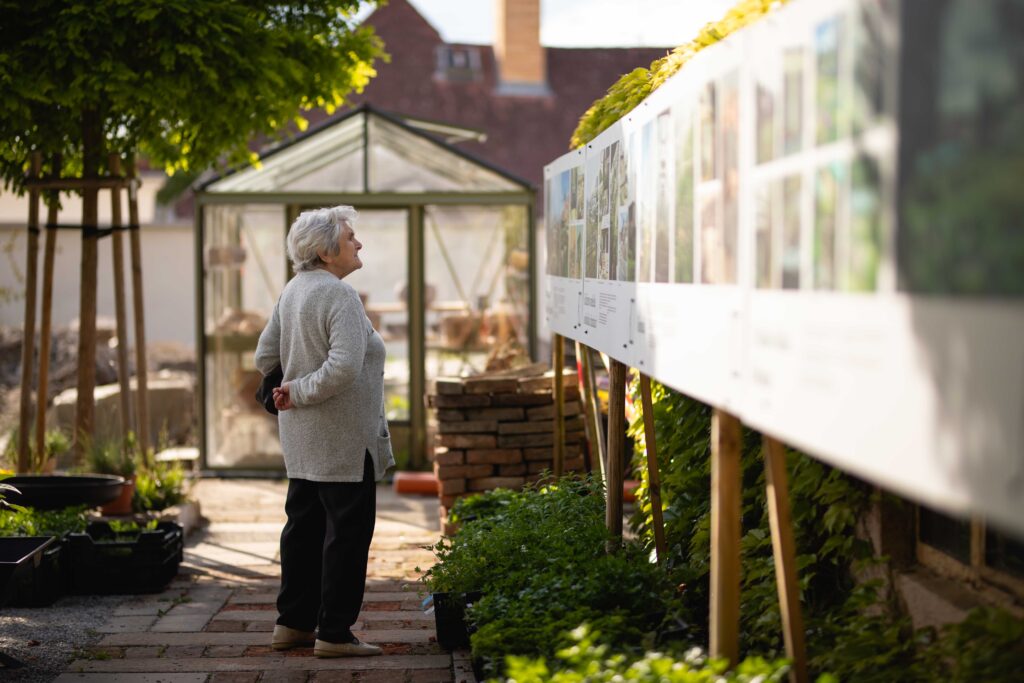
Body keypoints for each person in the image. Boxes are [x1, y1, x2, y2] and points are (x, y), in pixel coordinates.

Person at [254, 205, 395, 658]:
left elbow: (264, 356)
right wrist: (298, 391)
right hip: (344, 441)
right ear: (324, 250)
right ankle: (334, 633)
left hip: (302, 439)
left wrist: (288, 391)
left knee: (304, 530)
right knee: (347, 535)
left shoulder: (293, 290)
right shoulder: (339, 296)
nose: (359, 243)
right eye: (350, 236)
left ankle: (292, 624)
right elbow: (344, 367)